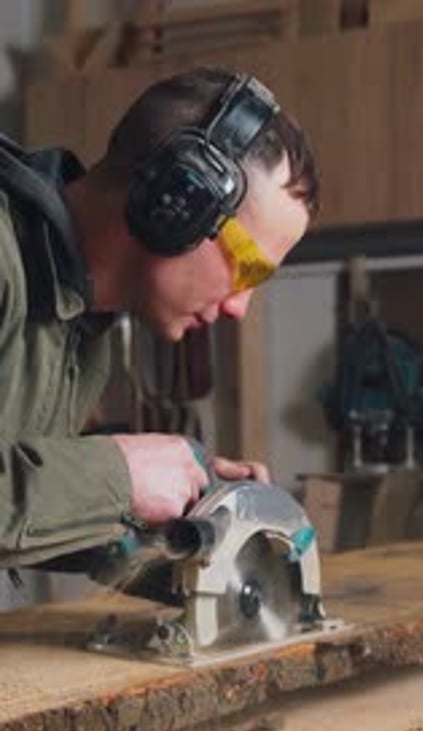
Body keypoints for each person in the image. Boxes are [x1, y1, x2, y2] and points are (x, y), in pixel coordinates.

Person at [0, 66, 319, 571]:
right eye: (248, 268)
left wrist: (169, 516)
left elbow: (17, 514)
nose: (239, 307)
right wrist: (118, 477)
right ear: (178, 203)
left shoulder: (81, 331)